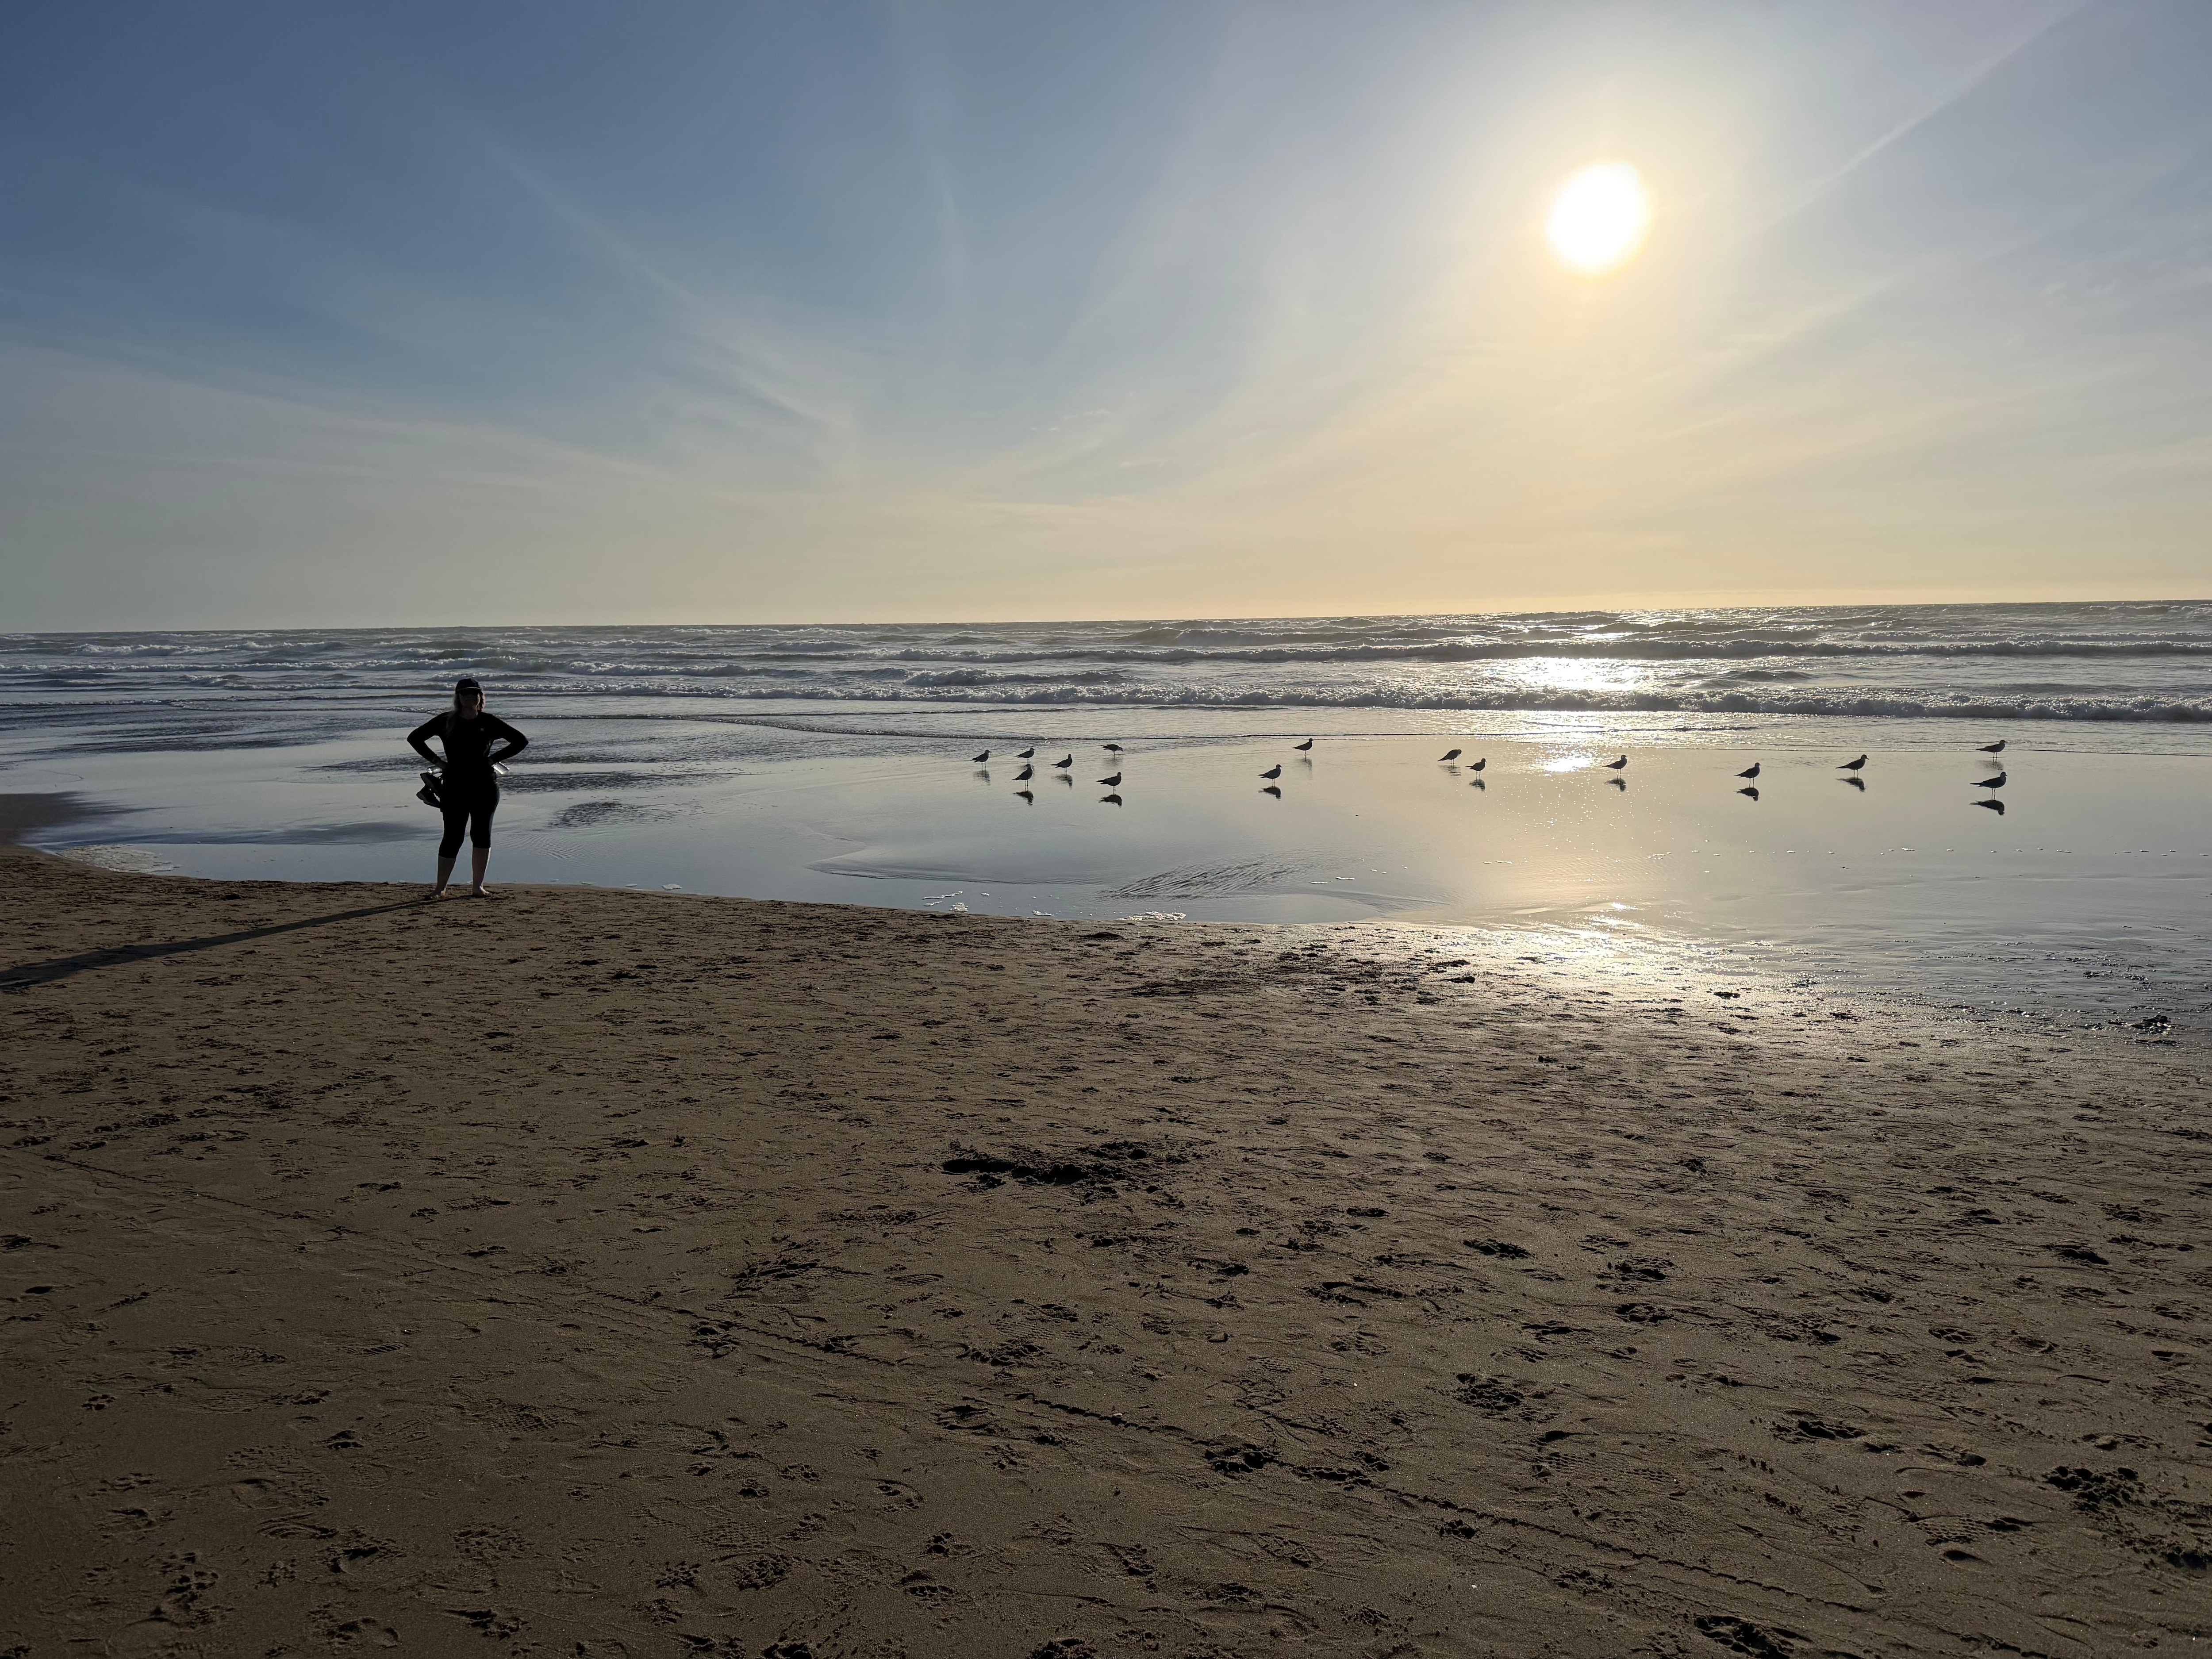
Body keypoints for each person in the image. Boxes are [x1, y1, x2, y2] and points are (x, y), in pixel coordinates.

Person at [408, 677, 526, 898]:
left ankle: (477, 887)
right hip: (455, 786)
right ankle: (440, 889)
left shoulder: (489, 722)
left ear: (480, 698)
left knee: (481, 835)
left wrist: (494, 759)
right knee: (453, 836)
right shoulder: (446, 721)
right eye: (465, 694)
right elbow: (415, 738)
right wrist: (438, 762)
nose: (469, 697)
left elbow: (520, 741)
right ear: (458, 697)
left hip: (485, 786)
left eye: (474, 694)